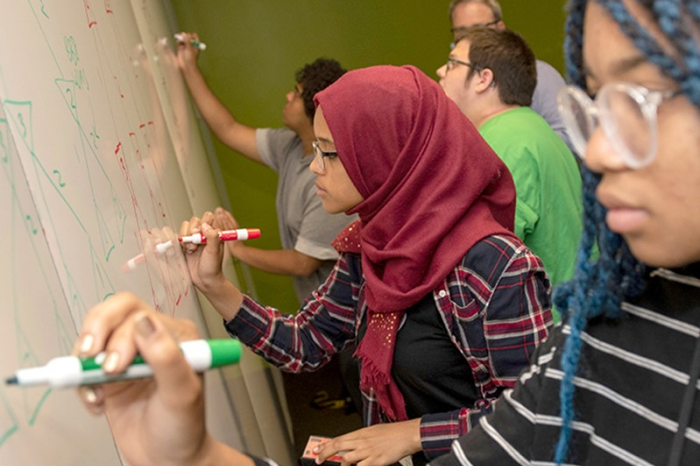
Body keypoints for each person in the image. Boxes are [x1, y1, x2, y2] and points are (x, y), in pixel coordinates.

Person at [75, 65, 553, 466]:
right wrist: (213, 283)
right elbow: (305, 344)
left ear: (388, 157)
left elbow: (535, 414)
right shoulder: (368, 244)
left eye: (329, 153)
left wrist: (413, 435)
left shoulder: (497, 266)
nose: (314, 168)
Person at [177, 34, 355, 303]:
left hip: (342, 329)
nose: (288, 96)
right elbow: (228, 129)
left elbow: (303, 262)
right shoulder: (290, 146)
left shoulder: (333, 179)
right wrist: (189, 68)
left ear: (314, 109)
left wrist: (239, 251)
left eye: (295, 93)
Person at [437, 27, 582, 305]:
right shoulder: (531, 127)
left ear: (483, 78)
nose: (441, 70)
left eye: (453, 63)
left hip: (543, 323)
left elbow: (482, 259)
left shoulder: (504, 142)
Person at [447, 0, 574, 152]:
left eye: (479, 29)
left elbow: (570, 135)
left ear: (500, 28)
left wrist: (516, 145)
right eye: (461, 33)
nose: (471, 38)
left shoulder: (541, 75)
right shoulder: (454, 83)